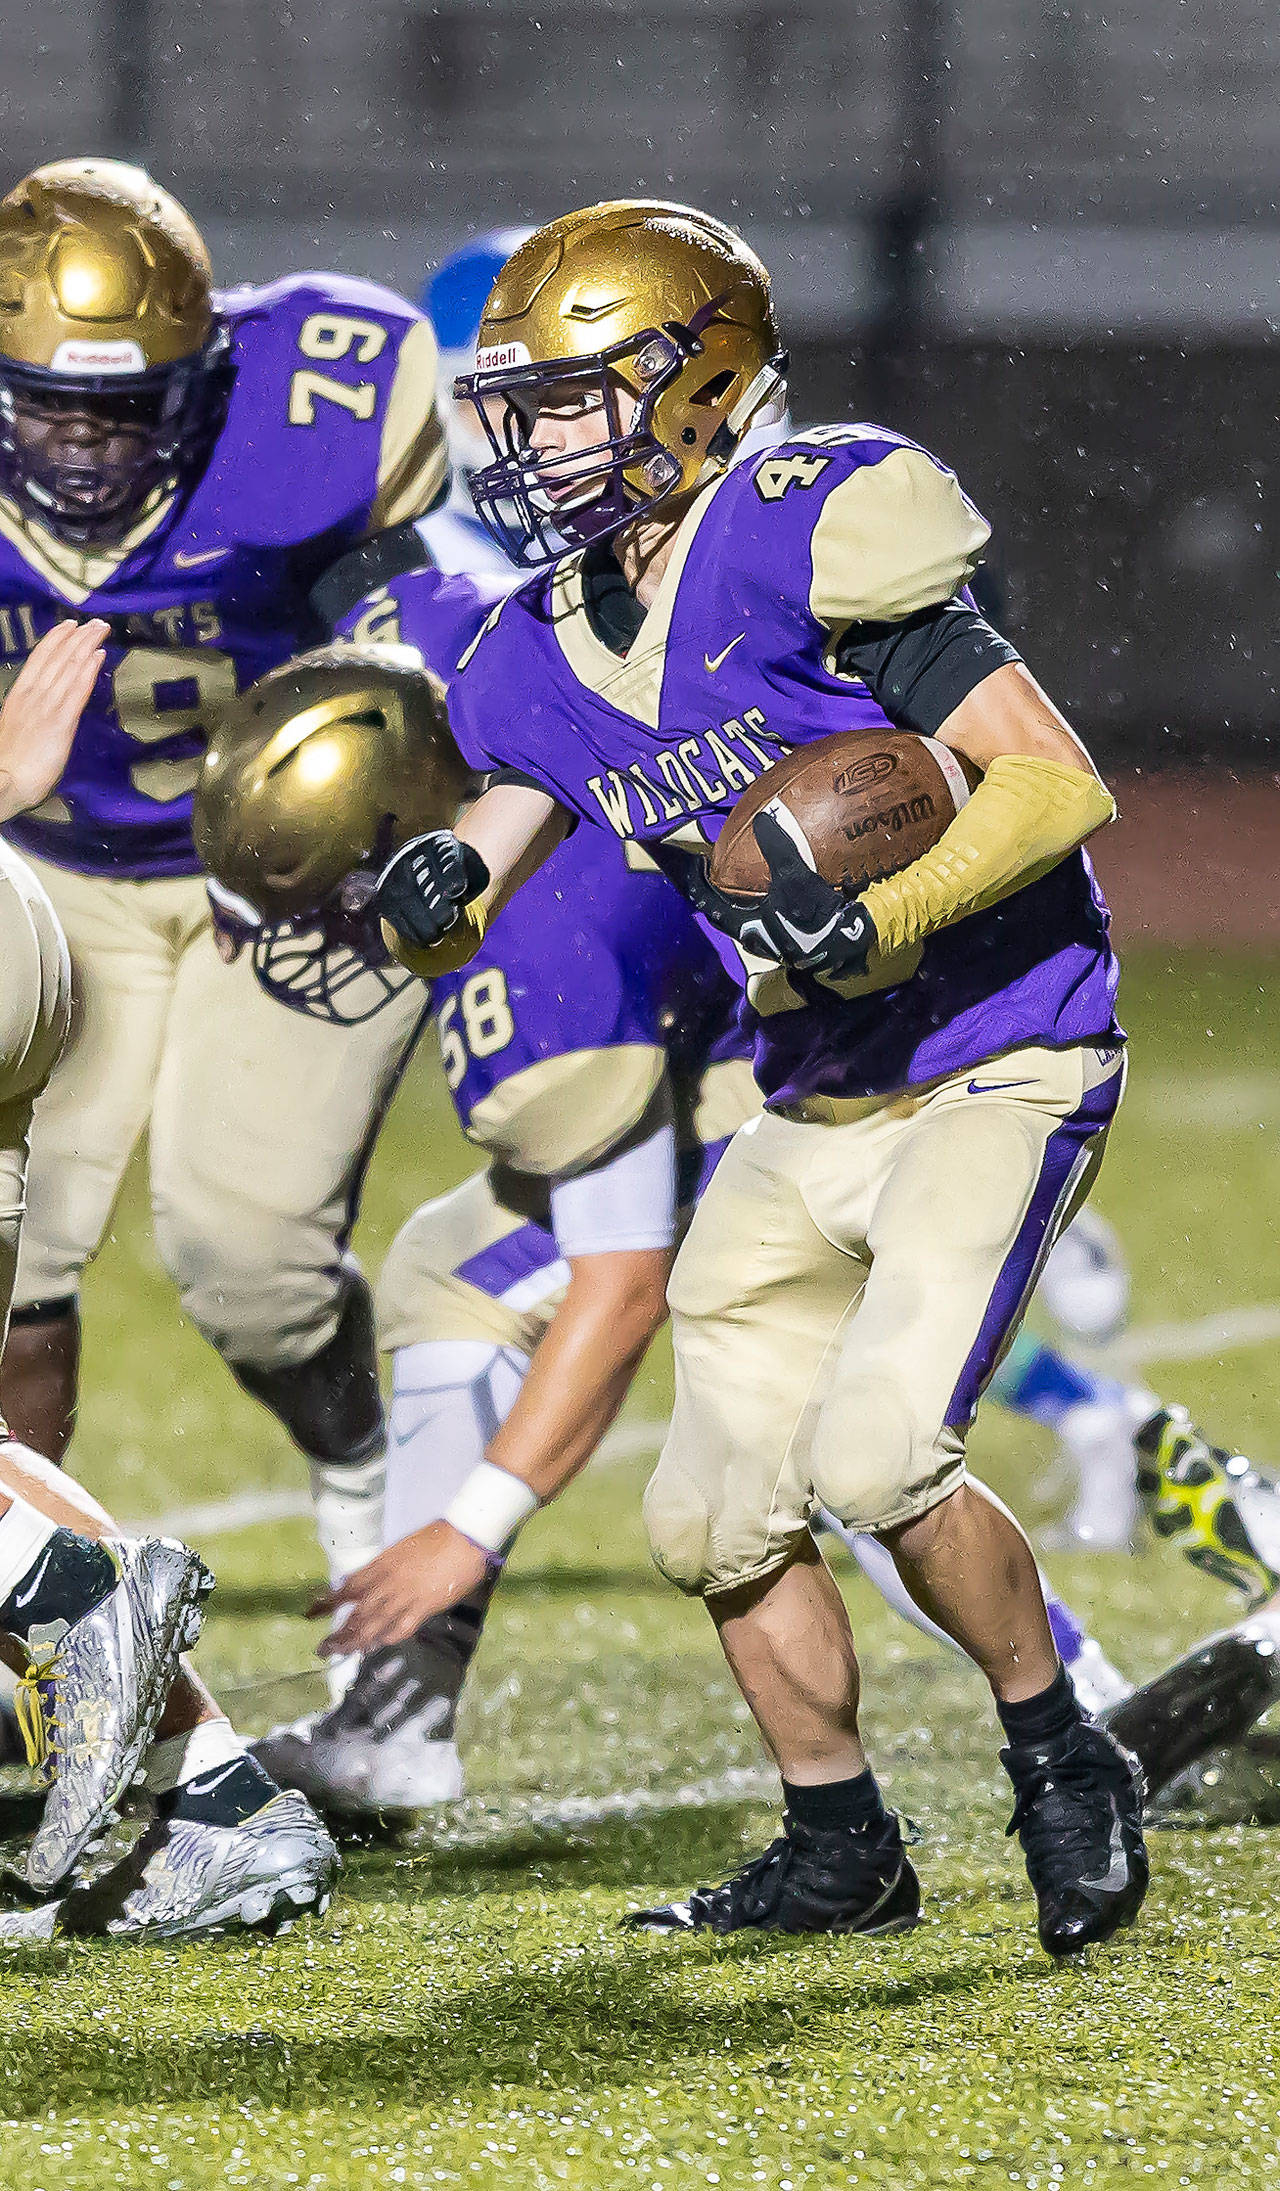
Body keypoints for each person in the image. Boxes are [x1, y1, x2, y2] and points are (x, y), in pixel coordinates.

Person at [363, 199, 1149, 1958]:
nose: (536, 444)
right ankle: (839, 1846)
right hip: (809, 1089)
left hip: (998, 1052)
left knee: (880, 1454)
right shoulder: (535, 642)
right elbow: (514, 815)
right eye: (522, 410)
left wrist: (889, 909)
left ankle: (1062, 1752)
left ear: (699, 382)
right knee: (713, 1515)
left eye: (574, 402)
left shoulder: (810, 529)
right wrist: (437, 893)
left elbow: (1054, 782)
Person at [0, 158, 445, 1645]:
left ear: (201, 379)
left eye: (125, 411)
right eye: (48, 407)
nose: (83, 448)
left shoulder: (311, 406)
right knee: (11, 1257)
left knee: (250, 1259)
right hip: (52, 871)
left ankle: (361, 1467)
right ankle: (35, 1619)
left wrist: (396, 719)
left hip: (283, 875)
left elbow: (419, 619)